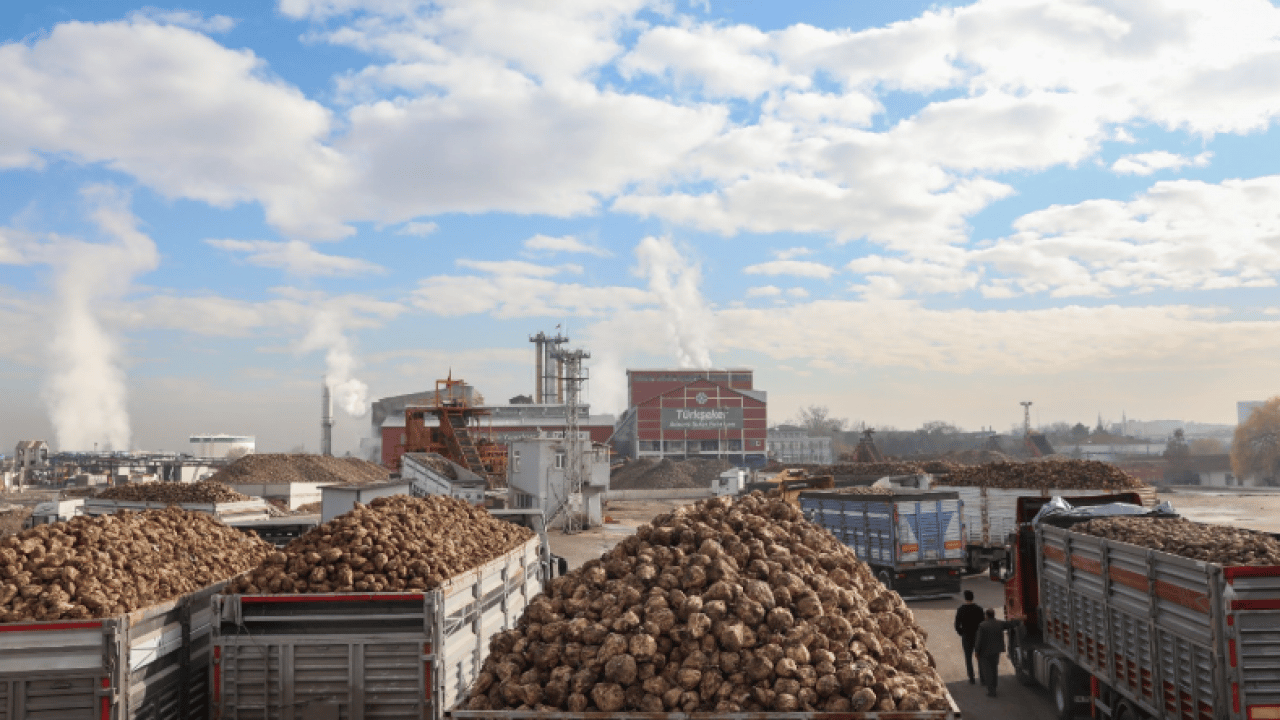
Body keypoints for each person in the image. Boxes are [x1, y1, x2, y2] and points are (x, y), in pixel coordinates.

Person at [974, 607, 1019, 697]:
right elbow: (1010, 624)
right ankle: (994, 687)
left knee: (988, 671)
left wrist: (976, 651)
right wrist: (1019, 619)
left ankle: (991, 691)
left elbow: (978, 641)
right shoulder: (999, 623)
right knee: (994, 670)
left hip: (985, 653)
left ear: (986, 615)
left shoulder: (982, 626)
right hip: (996, 651)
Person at [953, 590, 985, 685]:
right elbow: (983, 623)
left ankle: (971, 678)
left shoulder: (961, 609)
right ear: (973, 598)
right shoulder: (979, 609)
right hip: (977, 636)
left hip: (966, 636)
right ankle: (982, 678)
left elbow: (957, 625)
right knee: (979, 656)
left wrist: (962, 633)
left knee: (968, 657)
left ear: (965, 598)